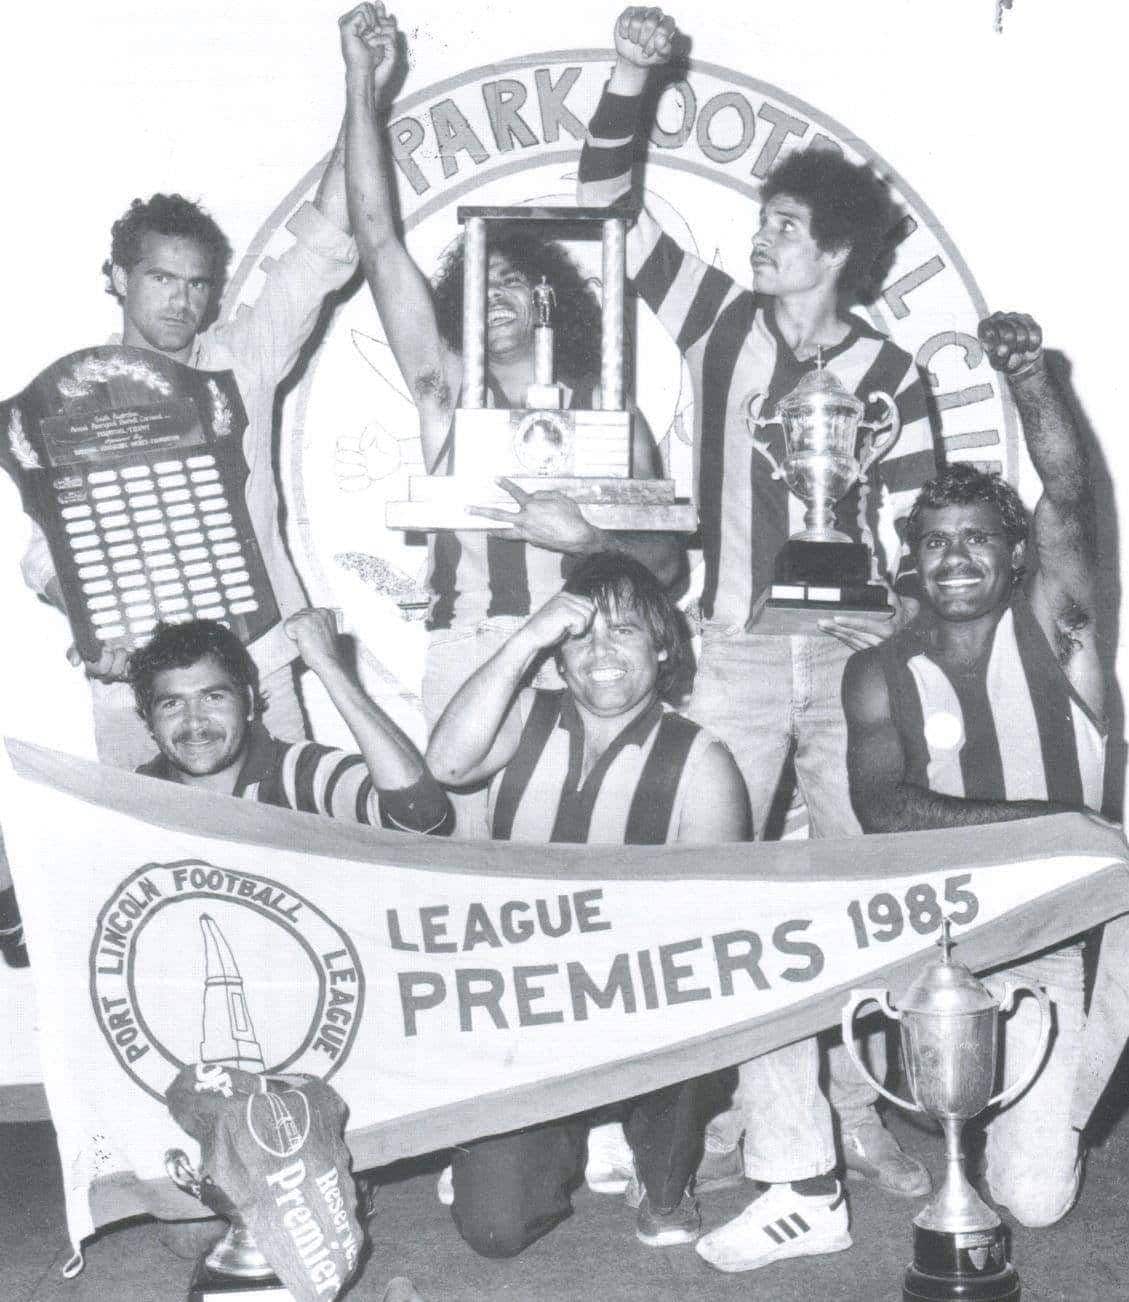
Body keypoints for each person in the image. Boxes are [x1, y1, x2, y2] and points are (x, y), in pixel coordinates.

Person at [579, 5, 935, 1238]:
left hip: (846, 661)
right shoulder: (723, 323)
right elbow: (609, 216)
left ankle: (858, 1105)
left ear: (834, 251)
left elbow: (911, 545)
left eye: (782, 227)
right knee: (722, 895)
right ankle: (727, 1112)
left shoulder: (896, 379)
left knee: (859, 895)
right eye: (762, 223)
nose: (760, 238)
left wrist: (891, 661)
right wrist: (629, 78)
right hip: (728, 651)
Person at [337, 4, 686, 837]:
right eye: (475, 290)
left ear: (548, 302)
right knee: (469, 878)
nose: (489, 303)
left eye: (509, 288)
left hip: (586, 653)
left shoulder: (607, 413)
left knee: (572, 863)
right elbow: (379, 240)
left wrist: (589, 544)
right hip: (470, 649)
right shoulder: (447, 395)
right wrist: (361, 86)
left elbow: (667, 567)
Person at [21, 48, 359, 772]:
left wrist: (362, 84)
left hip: (256, 664)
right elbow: (47, 542)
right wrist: (79, 611)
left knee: (285, 844)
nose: (181, 300)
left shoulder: (242, 361)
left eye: (198, 284)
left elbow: (324, 244)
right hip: (132, 681)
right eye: (161, 278)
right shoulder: (68, 397)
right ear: (118, 277)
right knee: (145, 856)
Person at [842, 311, 1104, 1229]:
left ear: (1017, 552)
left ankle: (1048, 1096)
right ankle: (819, 1149)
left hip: (1056, 935)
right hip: (934, 932)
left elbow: (1067, 492)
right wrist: (1054, 827)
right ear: (911, 560)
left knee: (1031, 1204)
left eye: (979, 538)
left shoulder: (1054, 627)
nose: (955, 557)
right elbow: (881, 809)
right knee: (782, 959)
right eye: (936, 542)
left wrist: (1031, 380)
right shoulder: (878, 668)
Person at [424, 551, 749, 1255]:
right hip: (528, 1015)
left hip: (641, 1018)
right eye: (579, 635)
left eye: (624, 631)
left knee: (699, 1017)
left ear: (662, 647)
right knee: (493, 1229)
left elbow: (717, 936)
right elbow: (445, 765)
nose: (600, 652)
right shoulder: (524, 720)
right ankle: (563, 1135)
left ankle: (660, 1167)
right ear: (556, 655)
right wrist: (521, 639)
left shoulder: (703, 761)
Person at [130, 613, 451, 835]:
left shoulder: (301, 773)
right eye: (172, 704)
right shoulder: (131, 798)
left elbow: (419, 813)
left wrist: (327, 664)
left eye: (213, 698)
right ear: (148, 719)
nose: (195, 721)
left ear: (250, 703)